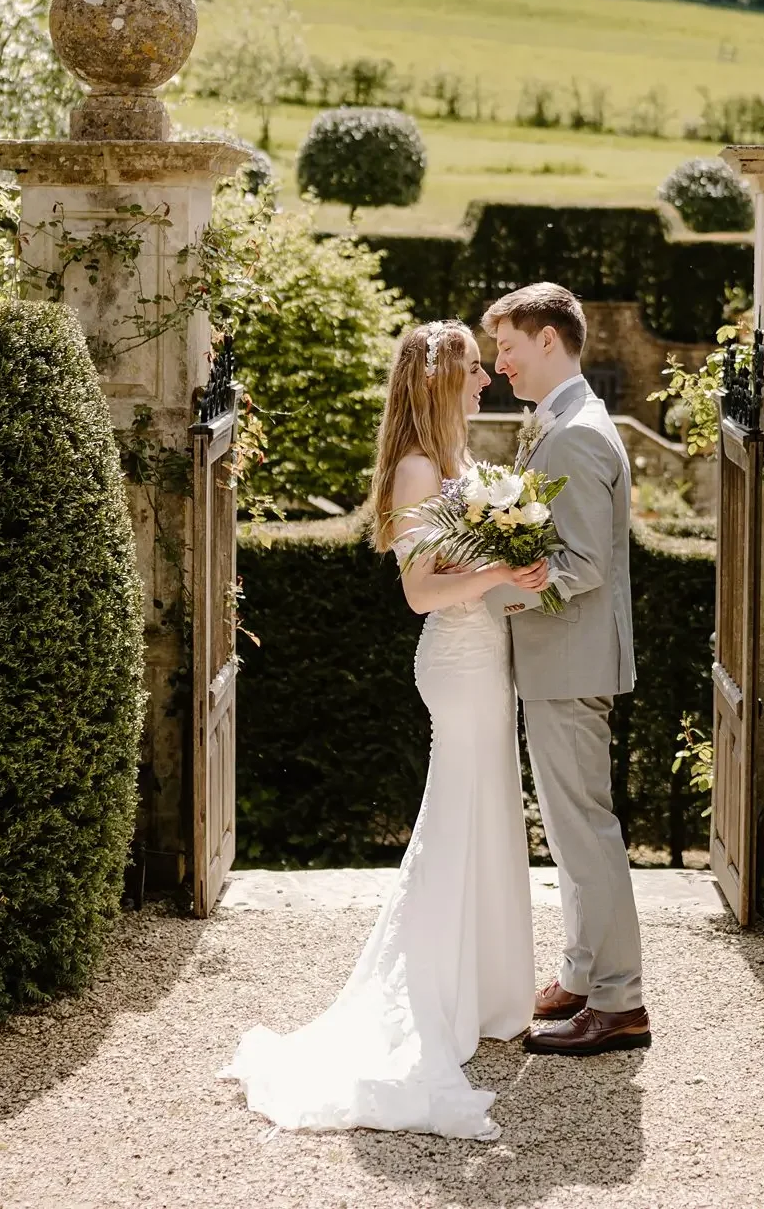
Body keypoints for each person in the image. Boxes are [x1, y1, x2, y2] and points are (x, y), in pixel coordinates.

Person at [221, 321, 549, 1140]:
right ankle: (438, 999)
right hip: (457, 664)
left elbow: (465, 573)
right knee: (454, 821)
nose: (484, 381)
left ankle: (482, 993)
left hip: (487, 657)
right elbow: (420, 593)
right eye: (474, 370)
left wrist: (516, 572)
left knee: (485, 819)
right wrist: (502, 570)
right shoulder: (415, 468)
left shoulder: (456, 463)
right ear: (442, 379)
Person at [480, 282, 650, 1057]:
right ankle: (583, 974)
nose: (500, 363)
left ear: (550, 339)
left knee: (586, 833)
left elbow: (579, 563)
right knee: (574, 831)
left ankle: (619, 1001)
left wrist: (497, 584)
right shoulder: (566, 423)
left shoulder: (577, 434)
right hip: (561, 660)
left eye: (509, 347)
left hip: (569, 659)